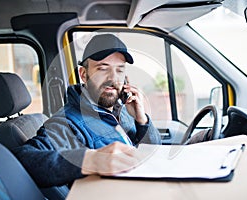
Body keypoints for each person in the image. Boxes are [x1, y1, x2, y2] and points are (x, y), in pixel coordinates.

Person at [12, 33, 161, 188]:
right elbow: (19, 160)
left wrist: (141, 119)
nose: (113, 78)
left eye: (119, 70)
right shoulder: (67, 123)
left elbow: (153, 152)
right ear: (83, 74)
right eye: (103, 69)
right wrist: (91, 160)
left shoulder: (122, 109)